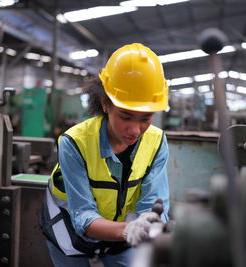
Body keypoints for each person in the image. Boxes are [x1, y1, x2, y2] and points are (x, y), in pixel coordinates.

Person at [40, 43, 170, 267]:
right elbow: (83, 217)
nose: (135, 130)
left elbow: (151, 204)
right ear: (105, 104)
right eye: (126, 117)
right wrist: (129, 229)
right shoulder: (75, 142)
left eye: (146, 118)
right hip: (69, 235)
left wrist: (150, 224)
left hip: (123, 238)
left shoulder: (157, 142)